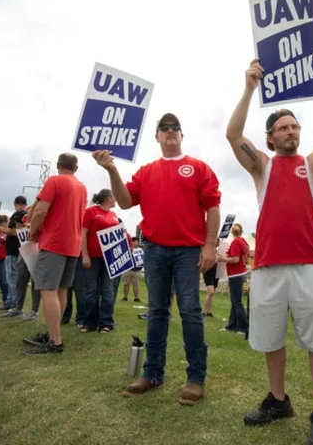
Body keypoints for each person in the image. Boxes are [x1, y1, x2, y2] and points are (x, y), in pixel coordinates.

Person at [226, 56, 313, 444]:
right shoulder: (261, 167)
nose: (290, 131)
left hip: (308, 266)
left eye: (295, 126)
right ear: (269, 137)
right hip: (267, 266)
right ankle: (279, 400)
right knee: (270, 339)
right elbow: (233, 135)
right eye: (283, 127)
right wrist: (249, 87)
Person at [93, 111, 221, 406]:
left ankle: (195, 378)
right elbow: (125, 201)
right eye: (164, 128)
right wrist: (111, 169)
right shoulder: (147, 171)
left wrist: (209, 245)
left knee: (190, 311)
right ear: (157, 137)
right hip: (154, 250)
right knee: (156, 312)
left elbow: (213, 207)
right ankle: (152, 374)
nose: (170, 130)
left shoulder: (199, 167)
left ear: (182, 135)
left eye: (175, 127)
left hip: (189, 250)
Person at [22, 153, 87, 355]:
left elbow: (41, 211)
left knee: (47, 290)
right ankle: (53, 333)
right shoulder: (82, 187)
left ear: (58, 165)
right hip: (73, 244)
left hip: (54, 242)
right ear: (76, 168)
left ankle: (55, 342)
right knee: (61, 290)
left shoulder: (54, 181)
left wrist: (32, 231)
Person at [80, 189, 121, 333]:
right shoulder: (91, 211)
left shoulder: (114, 215)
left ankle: (106, 323)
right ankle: (89, 322)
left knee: (108, 290)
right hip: (93, 257)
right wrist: (85, 254)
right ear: (108, 198)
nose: (116, 200)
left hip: (109, 259)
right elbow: (83, 233)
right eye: (114, 197)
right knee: (91, 290)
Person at [218, 224, 250, 334]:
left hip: (236, 274)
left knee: (237, 302)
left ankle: (242, 327)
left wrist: (223, 259)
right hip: (241, 272)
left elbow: (235, 259)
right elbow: (245, 259)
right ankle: (231, 325)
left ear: (232, 232)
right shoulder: (244, 242)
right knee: (235, 301)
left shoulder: (236, 242)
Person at [202, 239, 221, 318]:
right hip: (208, 273)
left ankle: (208, 311)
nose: (216, 242)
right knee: (211, 292)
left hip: (216, 273)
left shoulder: (218, 252)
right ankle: (203, 311)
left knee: (212, 293)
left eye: (217, 241)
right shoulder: (207, 250)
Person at [121, 237, 143, 302]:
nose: (137, 243)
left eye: (138, 241)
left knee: (136, 285)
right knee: (126, 284)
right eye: (136, 241)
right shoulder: (126, 248)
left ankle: (136, 298)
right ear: (132, 242)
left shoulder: (140, 249)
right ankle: (125, 297)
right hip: (127, 269)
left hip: (137, 269)